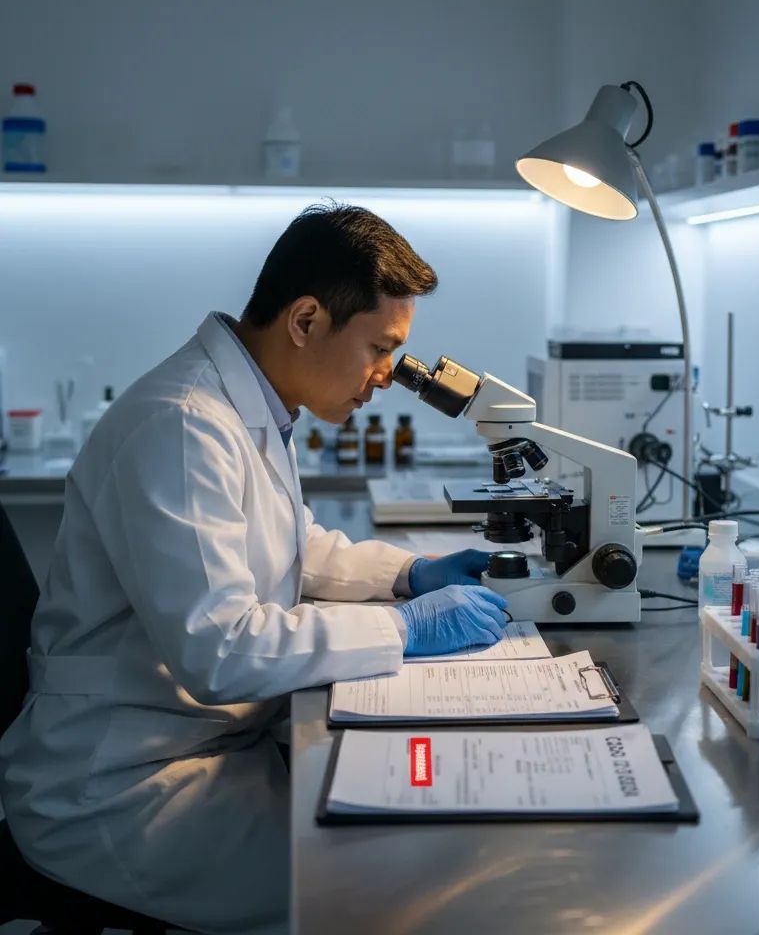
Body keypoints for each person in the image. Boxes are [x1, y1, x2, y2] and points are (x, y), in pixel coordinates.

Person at [0, 203, 508, 934]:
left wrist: (411, 573)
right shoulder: (181, 423)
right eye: (379, 347)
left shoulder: (245, 408)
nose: (387, 375)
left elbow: (298, 548)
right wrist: (402, 627)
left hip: (202, 749)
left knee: (409, 842)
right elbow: (222, 647)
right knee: (389, 896)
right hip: (122, 785)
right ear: (305, 321)